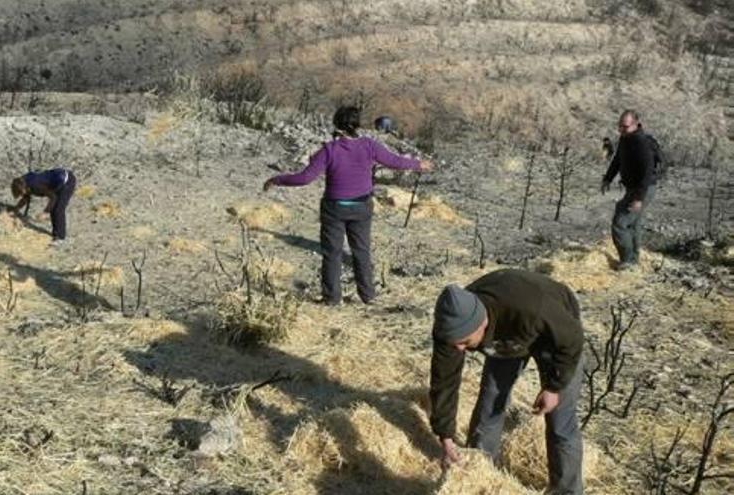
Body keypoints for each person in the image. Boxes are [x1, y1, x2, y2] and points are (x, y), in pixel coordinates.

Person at [430, 269, 584, 495]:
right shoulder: (451, 327)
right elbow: (444, 382)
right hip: (508, 338)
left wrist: (553, 387)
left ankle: (566, 491)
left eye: (465, 342)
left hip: (557, 339)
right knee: (490, 399)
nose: (459, 350)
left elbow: (572, 339)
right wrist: (445, 436)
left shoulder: (533, 309)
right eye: (455, 344)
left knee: (561, 421)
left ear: (481, 324)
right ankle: (479, 470)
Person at [263, 106, 432, 305]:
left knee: (332, 253)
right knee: (361, 251)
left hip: (334, 208)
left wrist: (277, 179)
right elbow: (395, 161)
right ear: (357, 124)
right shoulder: (369, 145)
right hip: (362, 206)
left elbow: (305, 178)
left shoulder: (328, 150)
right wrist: (418, 164)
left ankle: (332, 298)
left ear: (337, 124)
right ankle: (368, 295)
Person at [601, 110, 657, 270]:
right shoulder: (626, 138)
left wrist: (639, 198)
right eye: (619, 126)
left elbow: (647, 173)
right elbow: (618, 159)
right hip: (633, 188)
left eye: (625, 127)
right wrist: (608, 178)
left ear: (636, 124)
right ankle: (633, 260)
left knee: (620, 223)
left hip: (643, 188)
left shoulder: (641, 143)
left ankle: (628, 261)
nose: (621, 130)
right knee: (634, 223)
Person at [10, 168, 77, 242]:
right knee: (53, 208)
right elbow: (25, 198)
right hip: (56, 182)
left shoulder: (36, 186)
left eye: (21, 193)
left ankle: (61, 238)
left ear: (23, 189)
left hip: (67, 181)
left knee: (58, 209)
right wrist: (16, 209)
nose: (22, 195)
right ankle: (55, 234)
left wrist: (45, 212)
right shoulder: (23, 182)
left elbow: (53, 197)